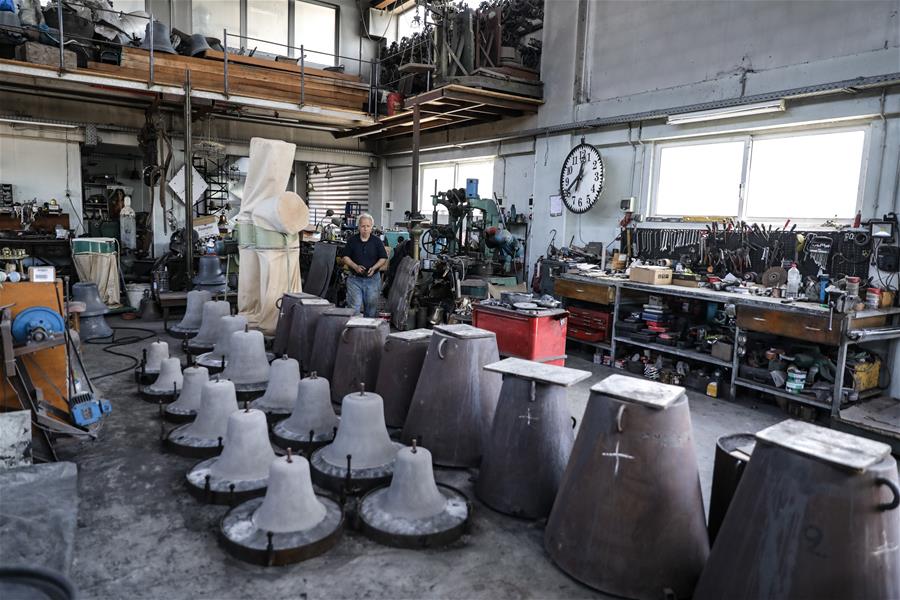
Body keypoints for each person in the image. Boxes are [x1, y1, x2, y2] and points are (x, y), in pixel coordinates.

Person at [341, 213, 388, 318]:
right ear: (358, 227)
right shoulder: (352, 240)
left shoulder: (377, 241)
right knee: (354, 308)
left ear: (372, 227)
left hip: (373, 280)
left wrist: (374, 268)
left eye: (368, 226)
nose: (365, 229)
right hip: (354, 280)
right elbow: (345, 257)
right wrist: (355, 267)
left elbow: (383, 258)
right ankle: (353, 332)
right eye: (363, 226)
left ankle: (367, 332)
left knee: (371, 310)